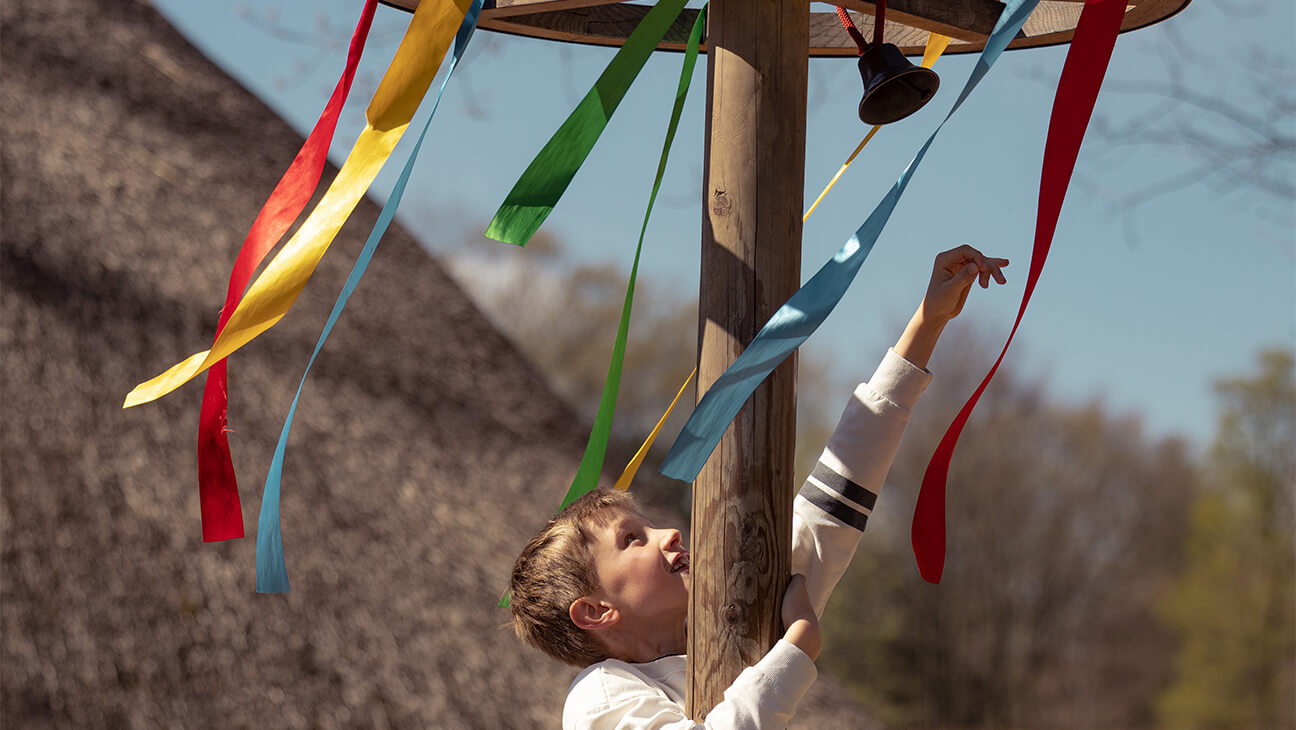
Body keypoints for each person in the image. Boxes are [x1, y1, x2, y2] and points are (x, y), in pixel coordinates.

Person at [509, 246, 1009, 729]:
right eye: (632, 539)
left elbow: (834, 502)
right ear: (596, 611)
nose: (669, 534)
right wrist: (794, 650)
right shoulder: (600, 695)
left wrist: (928, 321)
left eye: (647, 526)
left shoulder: (744, 604)